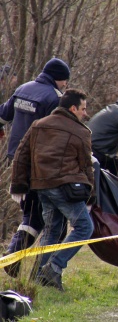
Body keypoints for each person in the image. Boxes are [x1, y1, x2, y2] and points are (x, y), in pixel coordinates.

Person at [10, 89, 93, 291]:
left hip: (41, 187)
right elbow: (86, 166)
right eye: (83, 109)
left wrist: (19, 185)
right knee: (85, 227)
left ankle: (37, 279)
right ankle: (53, 267)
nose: (85, 113)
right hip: (66, 188)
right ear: (73, 108)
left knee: (52, 232)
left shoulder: (38, 125)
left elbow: (21, 155)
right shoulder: (80, 131)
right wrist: (91, 196)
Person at [0, 57, 70, 278]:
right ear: (59, 79)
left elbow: (3, 115)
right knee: (48, 216)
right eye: (65, 81)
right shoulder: (54, 98)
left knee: (32, 213)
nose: (65, 85)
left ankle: (14, 257)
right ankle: (40, 271)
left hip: (16, 161)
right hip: (39, 164)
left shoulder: (23, 88)